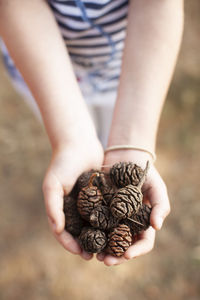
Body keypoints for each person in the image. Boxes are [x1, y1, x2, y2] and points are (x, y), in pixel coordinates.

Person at [0, 0, 184, 266]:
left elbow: (159, 5)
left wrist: (132, 140)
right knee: (81, 138)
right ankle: (85, 142)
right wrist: (70, 138)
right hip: (44, 71)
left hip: (127, 69)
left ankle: (104, 143)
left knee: (112, 130)